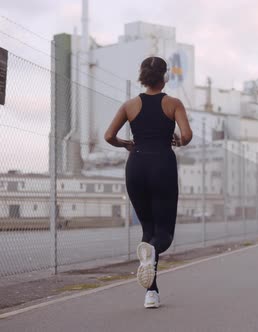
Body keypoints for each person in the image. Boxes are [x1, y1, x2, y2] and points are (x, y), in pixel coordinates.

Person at [104, 56, 192, 308]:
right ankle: (151, 263)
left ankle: (151, 293)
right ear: (164, 77)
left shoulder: (129, 105)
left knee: (148, 230)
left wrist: (126, 144)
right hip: (162, 164)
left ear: (142, 76)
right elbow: (186, 135)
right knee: (163, 234)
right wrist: (177, 139)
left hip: (136, 165)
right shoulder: (173, 103)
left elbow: (109, 135)